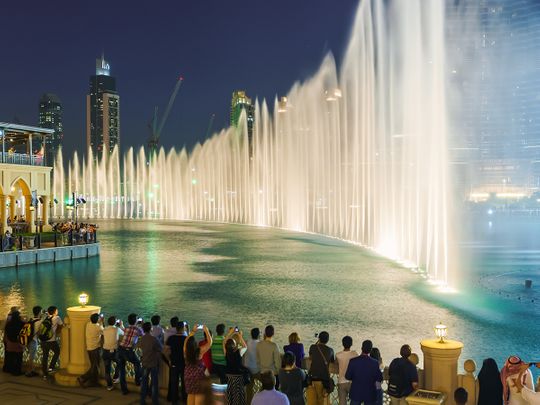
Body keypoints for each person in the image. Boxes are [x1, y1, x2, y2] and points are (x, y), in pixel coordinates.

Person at [345, 340, 383, 405]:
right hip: (369, 394)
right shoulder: (375, 363)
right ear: (370, 350)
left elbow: (347, 376)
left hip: (356, 392)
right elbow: (379, 378)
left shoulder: (353, 361)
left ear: (361, 348)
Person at [184, 324, 213, 405]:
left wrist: (193, 331)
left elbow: (186, 341)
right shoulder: (199, 351)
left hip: (188, 376)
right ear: (195, 344)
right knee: (198, 398)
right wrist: (206, 330)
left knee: (190, 395)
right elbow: (210, 342)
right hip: (198, 378)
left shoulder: (185, 351)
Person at [118, 313, 144, 394]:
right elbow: (144, 335)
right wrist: (142, 324)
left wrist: (121, 325)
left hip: (120, 349)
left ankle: (124, 390)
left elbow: (123, 331)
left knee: (122, 370)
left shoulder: (127, 328)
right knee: (137, 363)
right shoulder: (138, 329)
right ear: (136, 321)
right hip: (128, 350)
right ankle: (137, 380)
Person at [307, 331, 335, 405]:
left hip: (312, 380)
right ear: (327, 340)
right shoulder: (330, 350)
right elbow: (332, 361)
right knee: (323, 402)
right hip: (324, 381)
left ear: (319, 338)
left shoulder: (313, 347)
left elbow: (310, 357)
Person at [138, 321, 162, 405]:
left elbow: (140, 348)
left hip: (144, 363)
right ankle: (155, 401)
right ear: (151, 329)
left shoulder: (142, 339)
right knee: (154, 383)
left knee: (144, 383)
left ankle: (142, 400)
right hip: (153, 363)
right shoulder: (154, 339)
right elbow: (160, 348)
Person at [77, 313, 104, 387]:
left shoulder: (88, 324)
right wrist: (102, 322)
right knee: (95, 366)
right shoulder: (98, 327)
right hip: (95, 348)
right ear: (97, 320)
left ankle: (93, 382)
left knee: (94, 366)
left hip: (89, 348)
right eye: (98, 318)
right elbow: (104, 332)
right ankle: (82, 378)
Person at [166, 317, 188, 404]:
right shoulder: (186, 339)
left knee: (174, 384)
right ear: (183, 328)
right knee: (184, 383)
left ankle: (174, 401)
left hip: (174, 363)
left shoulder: (171, 338)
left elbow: (166, 351)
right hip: (183, 364)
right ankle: (184, 400)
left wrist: (169, 360)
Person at [224, 329, 248, 405]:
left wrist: (230, 332)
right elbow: (245, 346)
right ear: (234, 346)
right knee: (239, 396)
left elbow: (224, 342)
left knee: (230, 395)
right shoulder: (239, 352)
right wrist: (239, 335)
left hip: (229, 377)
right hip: (238, 377)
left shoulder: (226, 353)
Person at [40, 306, 63, 380]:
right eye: (56, 310)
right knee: (57, 351)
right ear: (54, 311)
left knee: (45, 356)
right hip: (51, 340)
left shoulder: (45, 318)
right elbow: (62, 325)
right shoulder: (57, 318)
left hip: (43, 340)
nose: (57, 311)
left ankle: (45, 374)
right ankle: (51, 367)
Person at [102, 316, 125, 391]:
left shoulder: (104, 329)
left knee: (107, 370)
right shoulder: (117, 329)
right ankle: (116, 377)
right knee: (120, 362)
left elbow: (104, 329)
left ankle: (109, 385)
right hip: (114, 352)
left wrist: (102, 322)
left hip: (105, 351)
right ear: (115, 322)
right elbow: (124, 333)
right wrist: (121, 325)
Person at [336, 336, 359, 405]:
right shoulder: (355, 354)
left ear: (342, 344)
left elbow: (335, 363)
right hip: (352, 382)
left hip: (341, 382)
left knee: (342, 403)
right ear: (351, 344)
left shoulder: (338, 355)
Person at [3, 310, 25, 375]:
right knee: (18, 358)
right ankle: (17, 371)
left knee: (11, 357)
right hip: (18, 343)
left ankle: (10, 369)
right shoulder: (21, 323)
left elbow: (6, 332)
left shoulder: (9, 323)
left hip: (10, 343)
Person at [25, 306, 43, 377]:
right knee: (32, 358)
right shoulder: (40, 321)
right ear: (39, 312)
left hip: (28, 340)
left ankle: (31, 370)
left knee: (30, 356)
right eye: (41, 311)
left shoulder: (30, 319)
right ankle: (29, 372)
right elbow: (40, 333)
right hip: (34, 340)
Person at [244, 327, 260, 404]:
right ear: (258, 335)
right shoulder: (260, 344)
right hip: (257, 370)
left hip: (247, 370)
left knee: (249, 389)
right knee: (267, 383)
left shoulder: (247, 342)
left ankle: (249, 403)